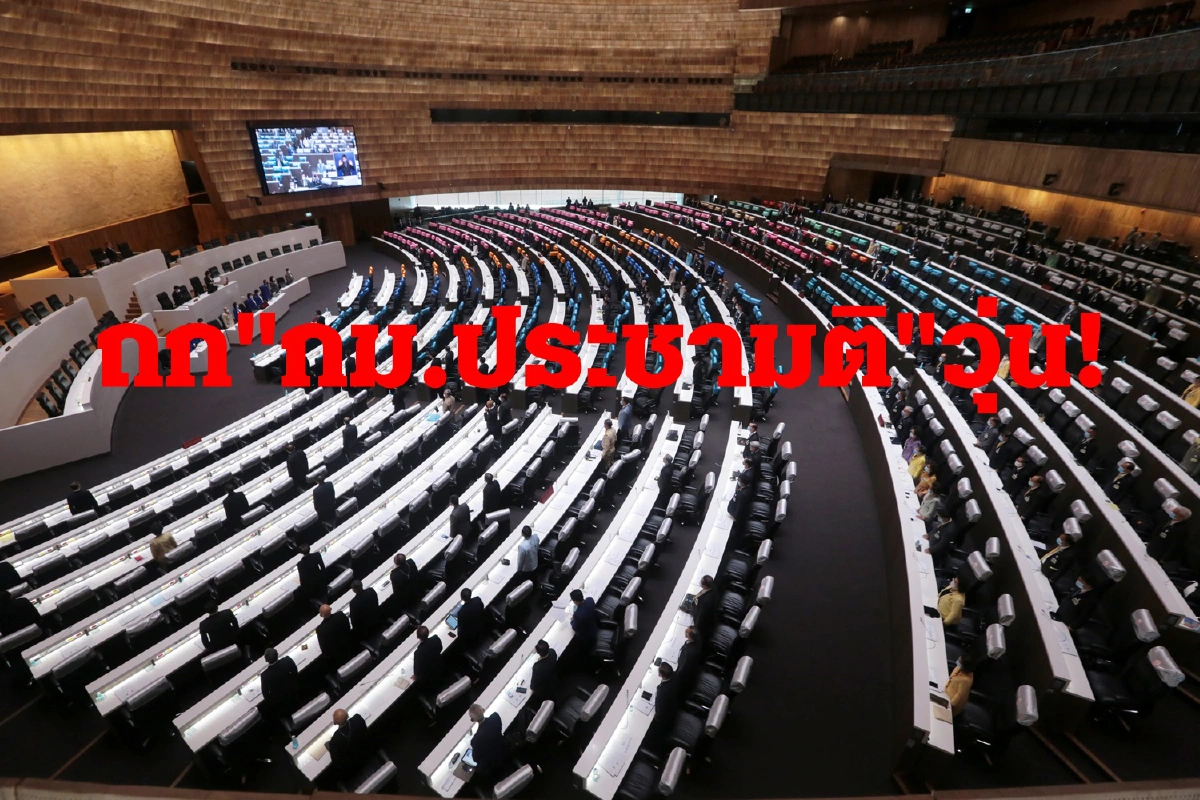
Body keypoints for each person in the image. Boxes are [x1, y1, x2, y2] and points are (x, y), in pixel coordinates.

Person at [467, 704, 509, 784]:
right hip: (504, 752)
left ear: (472, 720)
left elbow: (475, 759)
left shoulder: (475, 740)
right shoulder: (495, 717)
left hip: (492, 766)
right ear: (483, 710)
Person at [260, 648, 299, 715]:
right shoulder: (287, 660)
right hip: (294, 695)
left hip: (280, 704)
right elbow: (295, 673)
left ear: (266, 660)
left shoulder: (264, 675)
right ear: (277, 654)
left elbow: (265, 694)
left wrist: (274, 702)